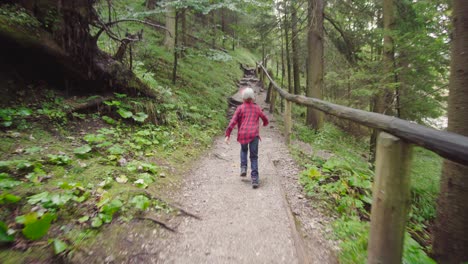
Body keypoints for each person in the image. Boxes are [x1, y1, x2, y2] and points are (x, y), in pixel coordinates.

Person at [225, 87, 269, 189]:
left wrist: (228, 134)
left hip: (243, 134)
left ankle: (243, 168)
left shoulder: (240, 108)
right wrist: (265, 123)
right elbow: (265, 118)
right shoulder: (257, 108)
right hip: (254, 135)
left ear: (243, 98)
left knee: (244, 150)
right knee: (254, 157)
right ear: (253, 98)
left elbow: (233, 121)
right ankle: (254, 179)